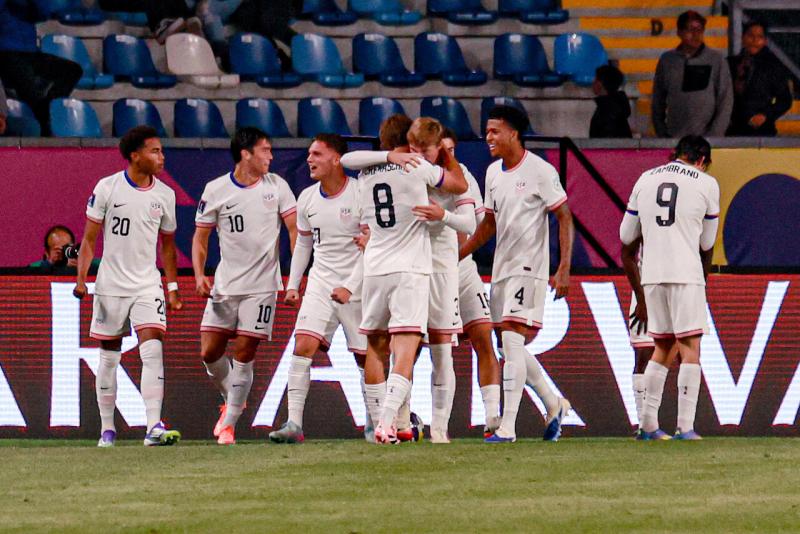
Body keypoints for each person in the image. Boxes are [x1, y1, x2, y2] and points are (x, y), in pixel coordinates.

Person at [344, 115, 467, 444]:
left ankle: (376, 424)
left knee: (374, 345)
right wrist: (444, 152)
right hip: (409, 268)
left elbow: (346, 159)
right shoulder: (417, 167)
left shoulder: (366, 172)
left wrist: (385, 157)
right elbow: (459, 185)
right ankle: (386, 421)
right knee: (406, 347)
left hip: (374, 267)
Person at [459, 105, 574, 443]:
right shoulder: (493, 172)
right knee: (507, 346)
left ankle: (507, 426)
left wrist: (563, 267)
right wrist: (458, 255)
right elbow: (489, 225)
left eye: (495, 131)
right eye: (487, 131)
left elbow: (564, 217)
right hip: (502, 270)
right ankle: (553, 403)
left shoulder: (540, 170)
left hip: (529, 268)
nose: (488, 137)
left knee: (511, 338)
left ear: (514, 132)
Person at [73, 125, 183, 448]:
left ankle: (153, 427)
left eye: (161, 151)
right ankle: (107, 428)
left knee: (153, 348)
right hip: (111, 285)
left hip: (147, 283)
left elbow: (168, 246)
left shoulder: (166, 195)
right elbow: (90, 241)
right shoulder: (107, 189)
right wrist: (81, 279)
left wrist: (172, 285)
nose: (161, 157)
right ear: (135, 156)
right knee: (109, 357)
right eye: (155, 151)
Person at [193, 127, 297, 445]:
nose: (271, 156)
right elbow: (200, 237)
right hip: (225, 285)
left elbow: (294, 231)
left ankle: (230, 424)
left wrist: (294, 277)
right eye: (265, 150)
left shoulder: (277, 186)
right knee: (209, 352)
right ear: (245, 154)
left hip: (262, 286)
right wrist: (199, 275)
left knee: (244, 351)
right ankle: (235, 397)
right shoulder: (216, 189)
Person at [268, 134, 369, 444]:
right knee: (302, 347)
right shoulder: (308, 197)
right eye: (309, 154)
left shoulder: (361, 193)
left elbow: (373, 244)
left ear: (336, 159)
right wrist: (294, 284)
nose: (309, 159)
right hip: (321, 284)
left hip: (358, 285)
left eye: (317, 154)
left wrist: (350, 286)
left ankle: (377, 422)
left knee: (367, 360)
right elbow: (304, 244)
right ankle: (294, 424)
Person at [619, 135, 720, 440]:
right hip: (685, 271)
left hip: (651, 273)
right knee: (689, 347)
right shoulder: (706, 183)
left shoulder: (645, 179)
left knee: (662, 347)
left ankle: (648, 425)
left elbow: (626, 236)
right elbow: (706, 242)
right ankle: (685, 426)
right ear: (701, 160)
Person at [441, 129, 502, 438]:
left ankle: (492, 418)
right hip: (433, 274)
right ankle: (419, 421)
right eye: (443, 149)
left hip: (463, 270)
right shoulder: (420, 176)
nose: (448, 155)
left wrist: (458, 255)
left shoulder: (465, 177)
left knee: (484, 338)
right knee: (427, 349)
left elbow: (478, 226)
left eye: (452, 149)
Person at [0, 0, 82, 136]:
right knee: (35, 94)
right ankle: (45, 127)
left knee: (72, 70)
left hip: (30, 53)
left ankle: (48, 113)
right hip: (6, 53)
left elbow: (43, 12)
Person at [652, 10, 733, 138]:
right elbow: (658, 99)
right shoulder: (667, 60)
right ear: (679, 32)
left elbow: (725, 100)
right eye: (690, 29)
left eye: (699, 30)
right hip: (674, 137)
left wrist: (715, 135)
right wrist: (662, 133)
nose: (695, 35)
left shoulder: (716, 59)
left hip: (708, 138)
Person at [727, 21, 792, 137]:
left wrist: (765, 115)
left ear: (765, 41)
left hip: (762, 131)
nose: (754, 40)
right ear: (742, 38)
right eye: (750, 35)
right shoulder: (729, 64)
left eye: (759, 37)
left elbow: (785, 100)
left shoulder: (773, 67)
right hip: (732, 130)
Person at [29, 225, 100, 275]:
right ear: (47, 253)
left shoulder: (88, 263)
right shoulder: (36, 268)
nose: (63, 254)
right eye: (58, 251)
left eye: (66, 249)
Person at [590, 64, 633, 138]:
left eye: (595, 79)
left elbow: (607, 142)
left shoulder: (608, 110)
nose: (592, 82)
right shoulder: (613, 106)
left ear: (600, 84)